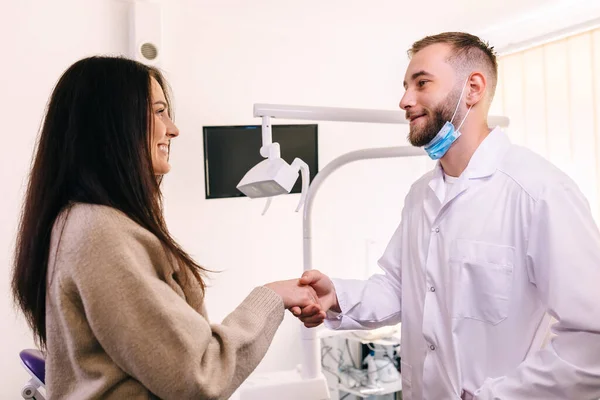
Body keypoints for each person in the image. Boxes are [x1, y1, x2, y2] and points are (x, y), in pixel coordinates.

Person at [292, 32, 600, 399]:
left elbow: (591, 340)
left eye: (421, 83)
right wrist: (337, 297)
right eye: (406, 86)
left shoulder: (539, 193)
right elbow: (400, 288)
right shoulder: (420, 196)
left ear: (473, 88)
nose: (405, 100)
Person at [11, 56, 323, 400]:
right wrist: (271, 297)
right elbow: (198, 375)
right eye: (159, 111)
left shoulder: (83, 222)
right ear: (112, 123)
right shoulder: (99, 232)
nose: (173, 129)